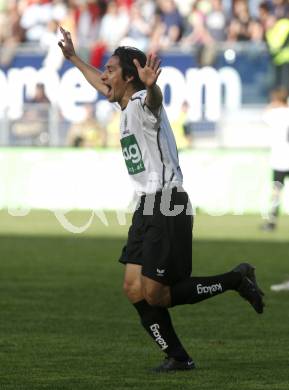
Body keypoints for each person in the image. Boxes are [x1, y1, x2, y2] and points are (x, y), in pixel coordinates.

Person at [58, 26, 264, 372]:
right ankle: (179, 357)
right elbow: (102, 85)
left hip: (168, 202)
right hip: (146, 205)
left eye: (110, 70)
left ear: (130, 77)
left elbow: (154, 101)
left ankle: (235, 279)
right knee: (132, 288)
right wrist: (75, 59)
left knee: (156, 294)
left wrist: (152, 87)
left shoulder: (141, 103)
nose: (105, 76)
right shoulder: (124, 105)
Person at [261, 87, 289, 231]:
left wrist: (273, 105)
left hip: (280, 160)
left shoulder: (274, 113)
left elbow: (264, 115)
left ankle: (271, 222)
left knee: (276, 191)